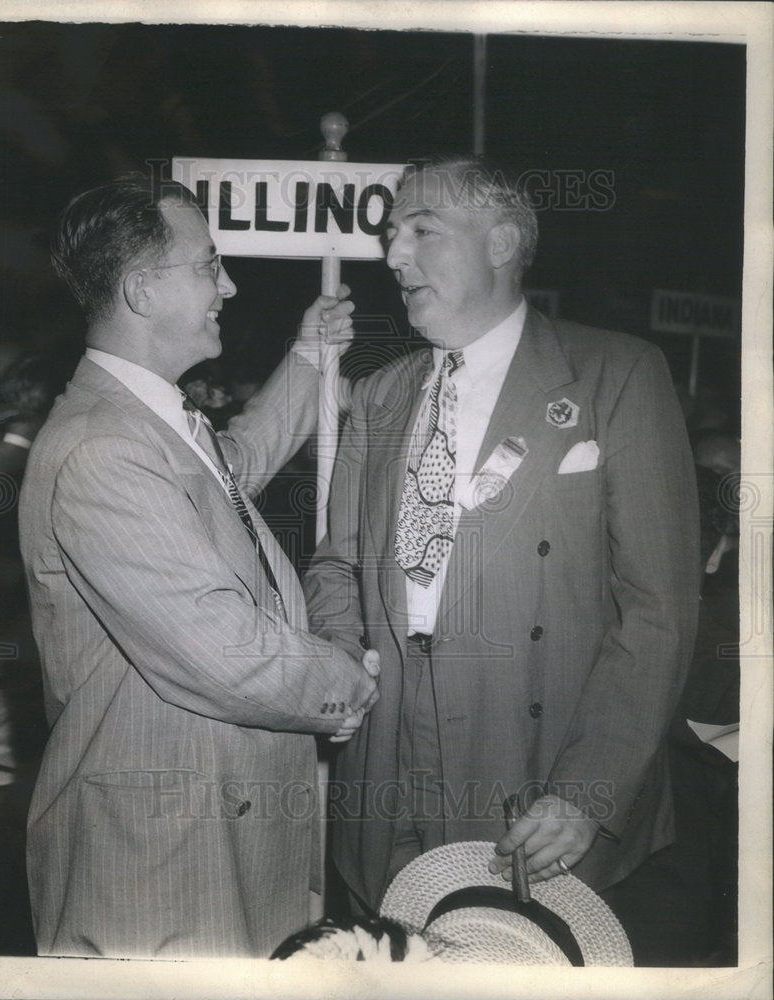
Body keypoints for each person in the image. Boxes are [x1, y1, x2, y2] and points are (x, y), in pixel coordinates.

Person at [303, 156, 701, 961]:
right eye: (388, 237)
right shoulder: (377, 392)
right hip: (383, 766)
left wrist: (587, 789)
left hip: (535, 768)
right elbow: (336, 566)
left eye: (420, 231)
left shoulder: (616, 374)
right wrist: (342, 657)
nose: (392, 256)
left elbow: (658, 609)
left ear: (503, 242)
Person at [18, 173, 379, 959]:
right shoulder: (103, 448)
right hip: (161, 859)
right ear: (144, 290)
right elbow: (223, 652)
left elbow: (231, 469)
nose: (230, 284)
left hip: (207, 829)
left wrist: (311, 355)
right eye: (209, 265)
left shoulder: (141, 419)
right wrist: (349, 679)